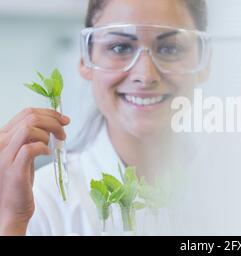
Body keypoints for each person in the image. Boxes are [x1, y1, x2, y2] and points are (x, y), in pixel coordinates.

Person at [0, 0, 210, 236]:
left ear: (205, 62)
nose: (145, 75)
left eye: (170, 49)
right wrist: (12, 222)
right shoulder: (40, 203)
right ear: (85, 60)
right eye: (120, 47)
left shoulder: (239, 188)